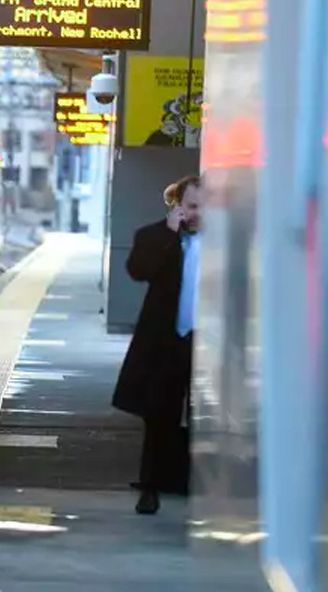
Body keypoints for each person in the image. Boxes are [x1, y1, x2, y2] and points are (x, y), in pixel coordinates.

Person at [111, 174, 204, 515]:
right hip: (165, 342)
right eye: (192, 206)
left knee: (202, 416)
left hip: (204, 343)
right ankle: (150, 486)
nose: (198, 214)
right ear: (178, 206)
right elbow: (139, 270)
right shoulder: (153, 236)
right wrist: (168, 233)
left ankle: (190, 480)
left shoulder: (224, 242)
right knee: (158, 415)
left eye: (204, 207)